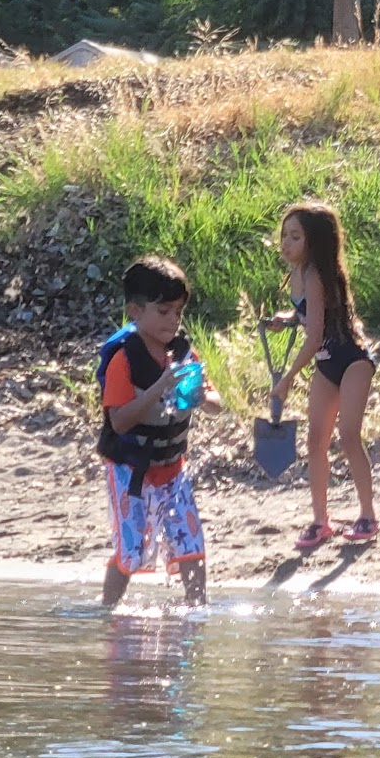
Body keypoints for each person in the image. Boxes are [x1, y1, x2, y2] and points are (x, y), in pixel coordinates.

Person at [97, 255, 223, 607]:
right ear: (135, 311)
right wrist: (159, 388)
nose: (173, 320)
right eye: (164, 311)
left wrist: (203, 397)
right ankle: (109, 611)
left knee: (191, 544)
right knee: (132, 550)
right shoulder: (125, 360)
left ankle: (197, 609)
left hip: (172, 470)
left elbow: (216, 403)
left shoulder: (184, 354)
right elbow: (119, 421)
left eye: (178, 313)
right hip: (130, 470)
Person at [265, 201, 380, 549]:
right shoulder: (298, 274)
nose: (286, 243)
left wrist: (286, 379)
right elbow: (309, 314)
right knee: (316, 440)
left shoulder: (315, 274)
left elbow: (314, 337)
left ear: (313, 242)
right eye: (284, 235)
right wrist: (287, 318)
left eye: (295, 237)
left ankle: (368, 515)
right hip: (328, 363)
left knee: (347, 435)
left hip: (352, 359)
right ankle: (320, 521)